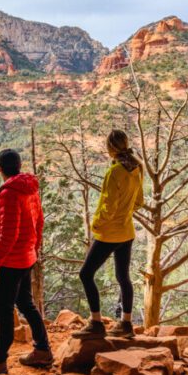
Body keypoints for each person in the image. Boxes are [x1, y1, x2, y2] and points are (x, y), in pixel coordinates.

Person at [0, 148, 53, 375]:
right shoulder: (30, 189)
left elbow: (8, 234)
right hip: (27, 257)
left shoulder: (9, 193)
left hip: (11, 261)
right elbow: (39, 222)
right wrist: (33, 250)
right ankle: (43, 350)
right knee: (26, 304)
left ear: (0, 169)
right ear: (18, 166)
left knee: (5, 312)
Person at [76, 129, 143, 338]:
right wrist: (125, 214)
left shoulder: (114, 172)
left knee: (86, 274)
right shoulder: (136, 167)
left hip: (110, 233)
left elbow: (108, 206)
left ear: (110, 148)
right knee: (123, 277)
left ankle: (96, 323)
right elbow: (139, 201)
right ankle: (126, 324)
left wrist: (96, 225)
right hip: (127, 231)